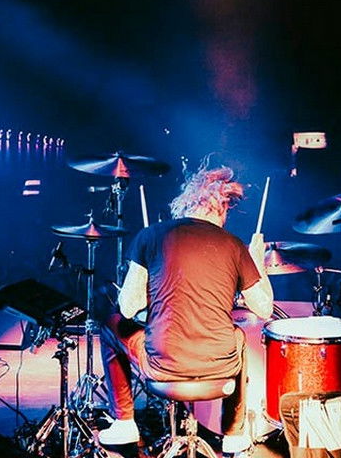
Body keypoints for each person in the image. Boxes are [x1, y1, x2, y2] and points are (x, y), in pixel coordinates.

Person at [98, 161, 273, 456]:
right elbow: (264, 309)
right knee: (238, 336)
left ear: (187, 201)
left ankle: (125, 422)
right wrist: (257, 261)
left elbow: (128, 308)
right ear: (222, 207)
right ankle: (233, 433)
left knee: (111, 323)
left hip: (163, 365)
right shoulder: (234, 244)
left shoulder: (149, 236)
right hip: (220, 367)